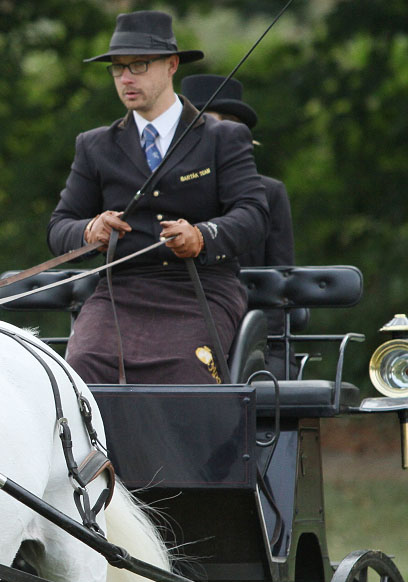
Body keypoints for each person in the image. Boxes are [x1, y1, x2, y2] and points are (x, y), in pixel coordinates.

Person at [47, 10, 269, 385]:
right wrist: (89, 230)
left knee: (184, 372)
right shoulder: (95, 145)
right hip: (121, 291)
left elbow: (253, 215)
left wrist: (202, 236)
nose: (126, 78)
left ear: (171, 65)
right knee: (82, 365)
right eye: (118, 69)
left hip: (202, 287)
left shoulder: (222, 138)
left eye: (139, 65)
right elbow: (59, 227)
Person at [181, 74, 296, 376]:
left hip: (254, 334)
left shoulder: (269, 193)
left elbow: (280, 281)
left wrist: (258, 343)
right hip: (180, 330)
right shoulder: (167, 192)